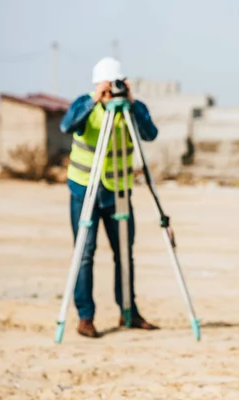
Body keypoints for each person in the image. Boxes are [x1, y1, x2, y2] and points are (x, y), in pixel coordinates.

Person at [60, 57, 159, 338]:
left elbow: (150, 134)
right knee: (85, 254)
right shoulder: (84, 105)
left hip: (118, 192)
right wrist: (94, 99)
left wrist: (131, 102)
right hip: (84, 190)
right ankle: (85, 317)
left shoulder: (131, 108)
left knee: (125, 253)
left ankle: (129, 311)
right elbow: (67, 126)